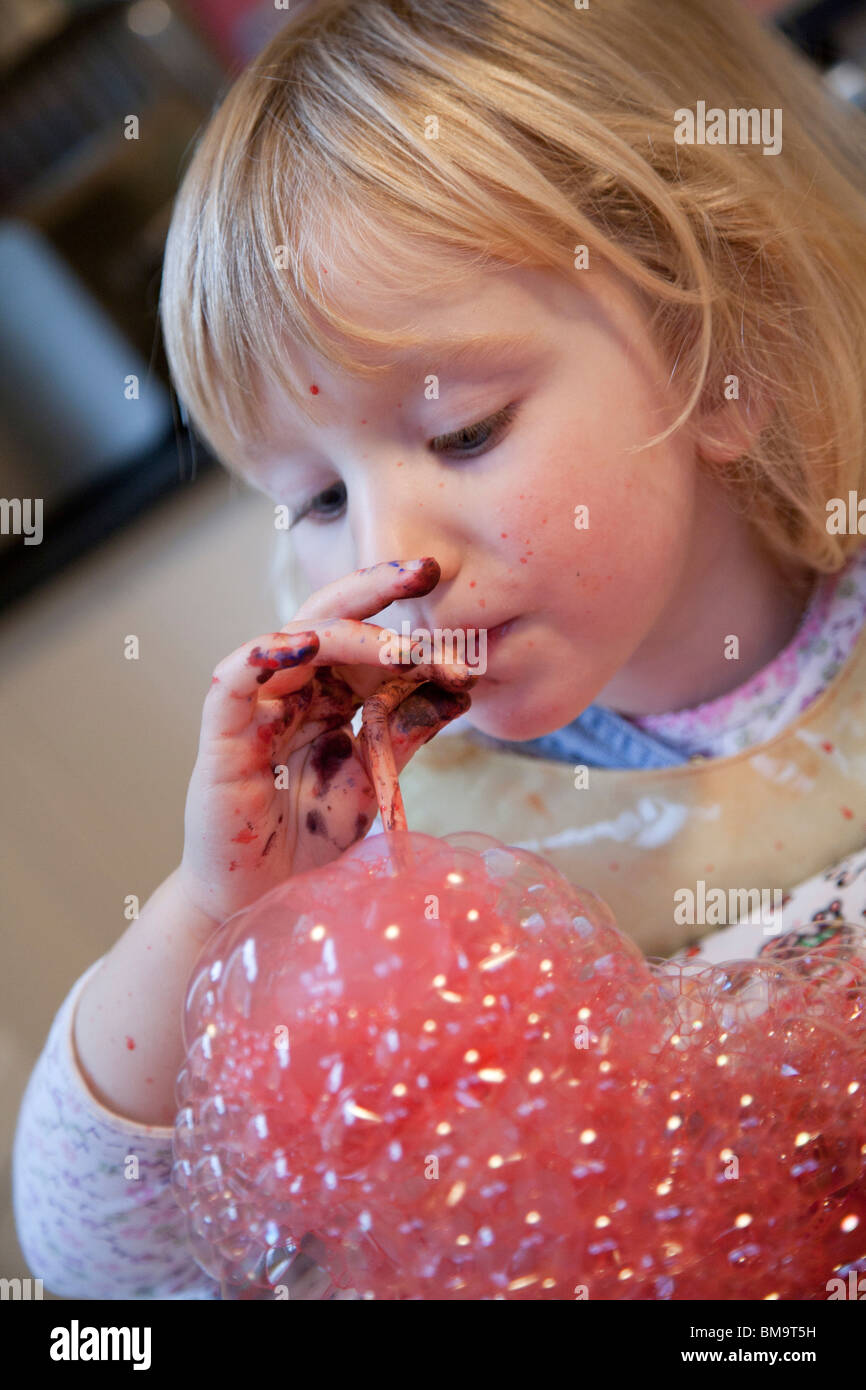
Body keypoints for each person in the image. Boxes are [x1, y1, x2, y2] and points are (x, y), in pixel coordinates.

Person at [13, 0, 866, 1299]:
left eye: (462, 433)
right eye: (315, 500)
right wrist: (213, 911)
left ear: (718, 355)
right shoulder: (385, 845)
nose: (389, 543)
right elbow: (108, 1263)